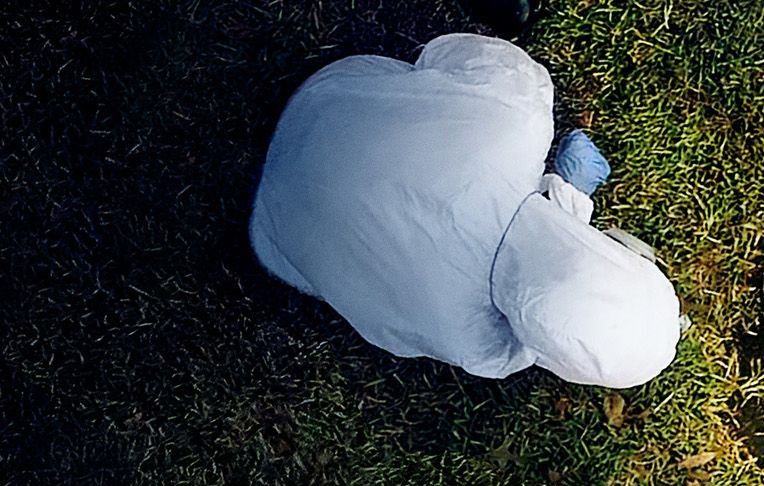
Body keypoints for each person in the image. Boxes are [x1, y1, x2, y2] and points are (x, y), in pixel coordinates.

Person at [249, 34, 682, 388]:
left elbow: (446, 52)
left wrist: (567, 194)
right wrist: (569, 199)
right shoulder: (479, 345)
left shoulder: (519, 116)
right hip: (280, 231)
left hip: (329, 100)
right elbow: (534, 322)